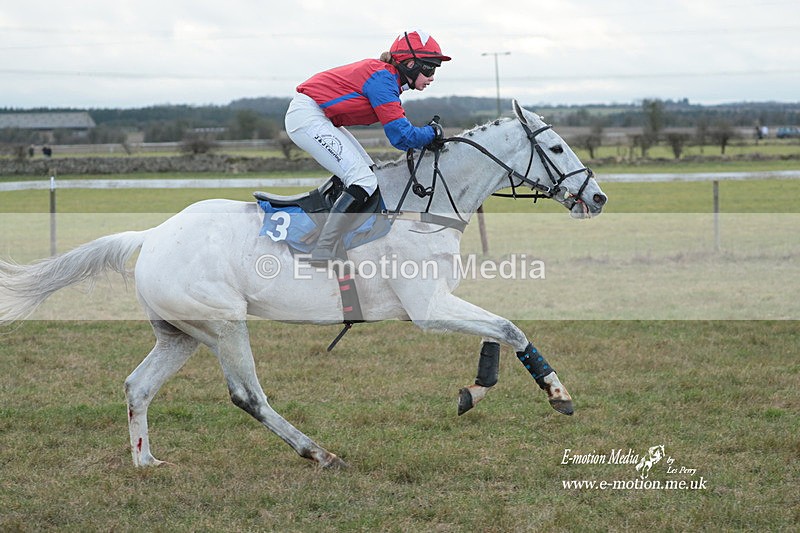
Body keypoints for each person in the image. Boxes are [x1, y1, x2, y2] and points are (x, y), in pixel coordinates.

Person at [285, 29, 450, 266]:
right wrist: (433, 133)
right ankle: (323, 249)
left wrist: (428, 135)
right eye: (430, 69)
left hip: (320, 117)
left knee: (371, 175)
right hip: (308, 116)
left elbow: (404, 135)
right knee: (363, 180)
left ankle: (339, 234)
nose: (432, 77)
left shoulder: (387, 79)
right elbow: (401, 137)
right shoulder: (383, 79)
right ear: (410, 64)